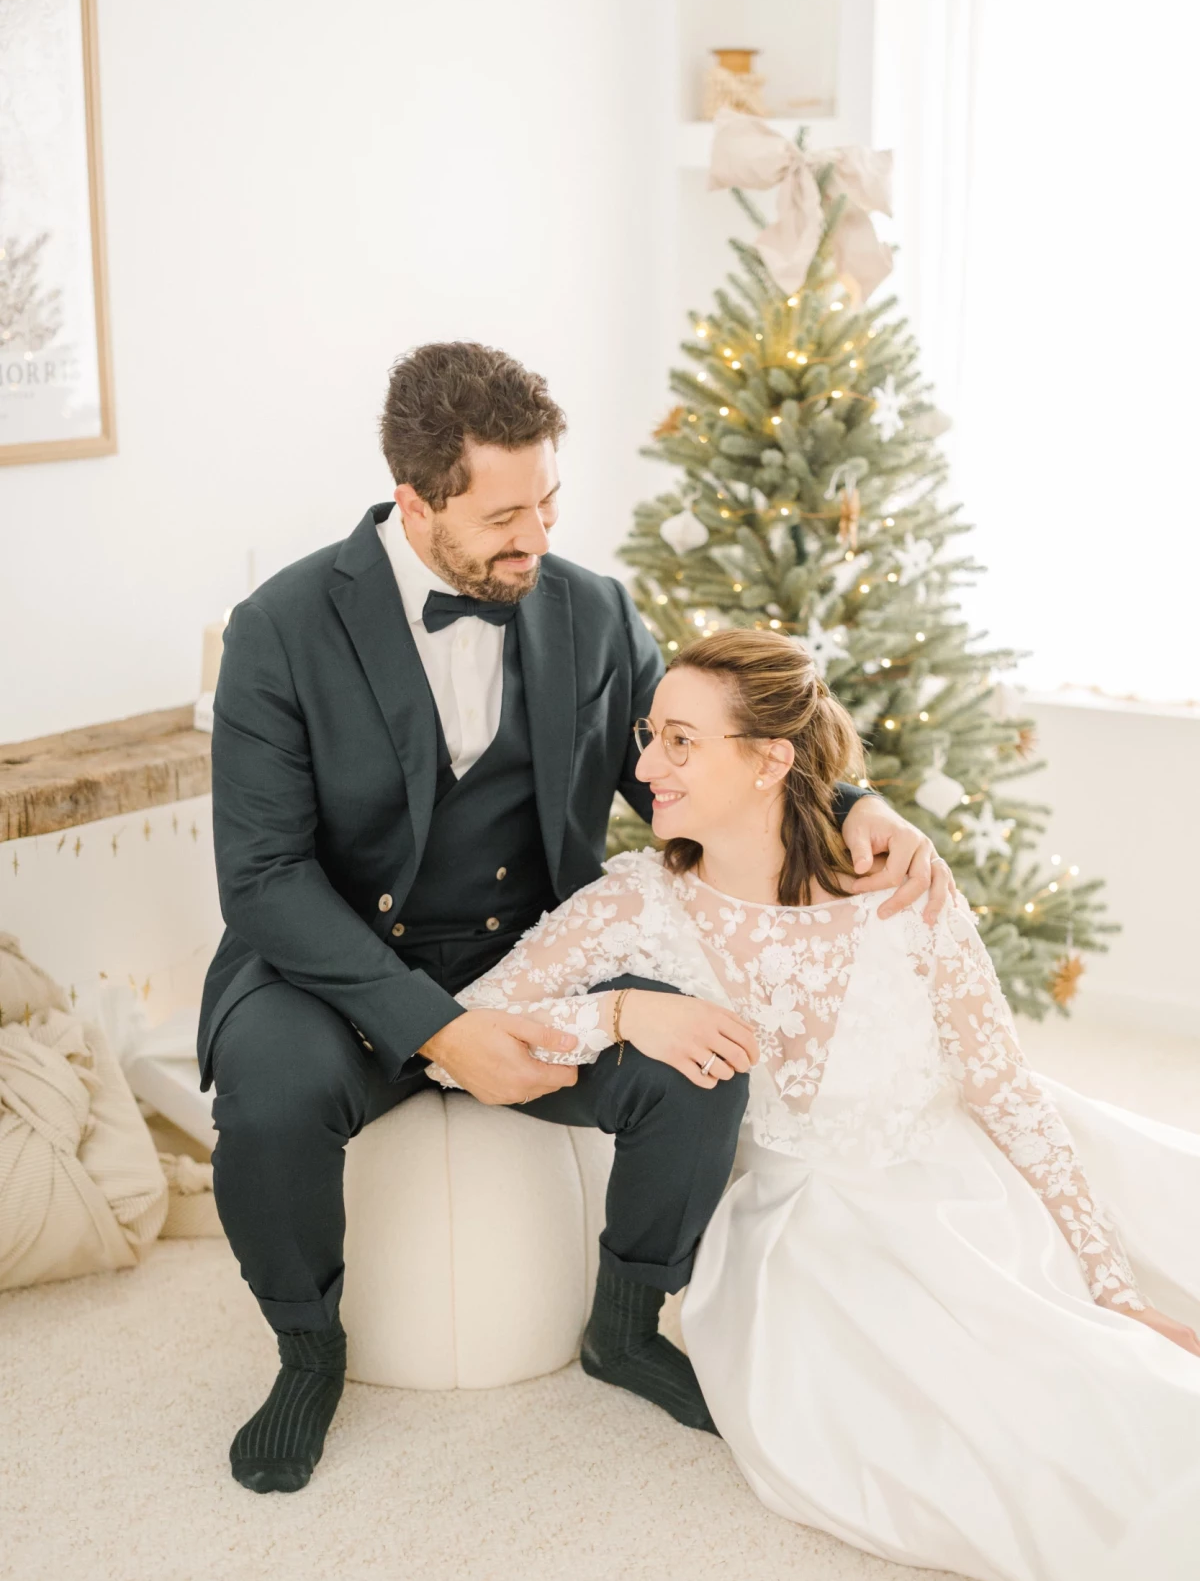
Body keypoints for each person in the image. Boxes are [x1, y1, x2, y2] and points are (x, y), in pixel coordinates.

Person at [200, 343, 949, 1494]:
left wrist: (852, 805)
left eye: (550, 502)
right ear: (415, 500)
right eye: (506, 515)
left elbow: (688, 759)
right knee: (271, 1099)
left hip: (540, 954)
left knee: (705, 1060)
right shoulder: (279, 626)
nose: (539, 539)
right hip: (331, 967)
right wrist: (437, 1030)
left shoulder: (593, 613)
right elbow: (260, 881)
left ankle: (626, 1324)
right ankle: (307, 1350)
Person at [433, 627, 1200, 1581]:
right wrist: (628, 1013)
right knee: (1040, 1423)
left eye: (678, 742)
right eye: (648, 736)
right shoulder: (638, 901)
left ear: (770, 761)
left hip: (972, 1182)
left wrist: (1109, 1282)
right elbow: (463, 1030)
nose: (644, 766)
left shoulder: (904, 889)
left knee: (1124, 1318)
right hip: (817, 1237)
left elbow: (1003, 1087)